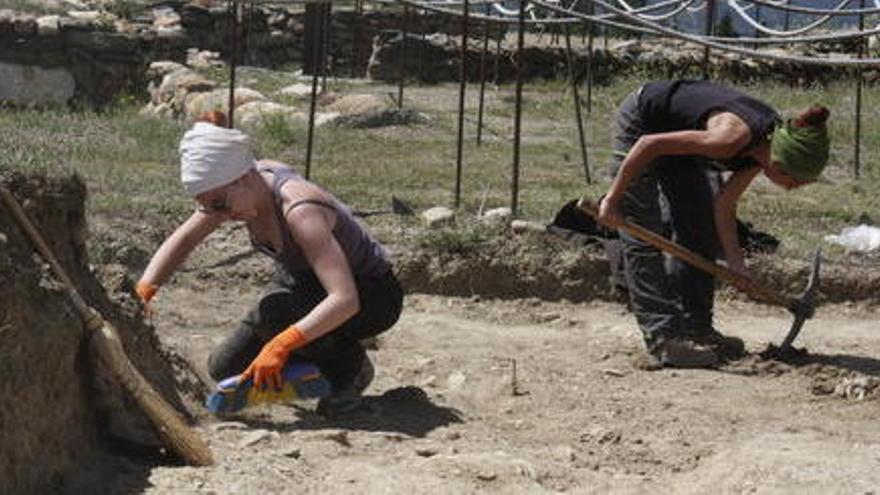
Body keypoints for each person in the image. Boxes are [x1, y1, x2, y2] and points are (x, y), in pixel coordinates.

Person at [135, 111, 403, 416]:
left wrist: (280, 346)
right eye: (207, 206)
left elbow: (345, 299)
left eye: (220, 204)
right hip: (305, 283)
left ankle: (349, 370)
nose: (216, 214)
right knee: (225, 368)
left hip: (371, 295)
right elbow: (183, 240)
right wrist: (143, 292)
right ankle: (312, 361)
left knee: (276, 316)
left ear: (243, 178)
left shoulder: (300, 210)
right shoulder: (235, 188)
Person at [597, 80, 830, 369]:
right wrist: (613, 199)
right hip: (643, 123)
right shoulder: (731, 140)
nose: (792, 188)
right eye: (794, 183)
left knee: (699, 222)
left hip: (673, 138)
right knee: (642, 229)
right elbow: (649, 144)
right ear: (778, 164)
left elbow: (724, 205)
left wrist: (736, 265)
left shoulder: (765, 147)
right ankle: (663, 340)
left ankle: (696, 328)